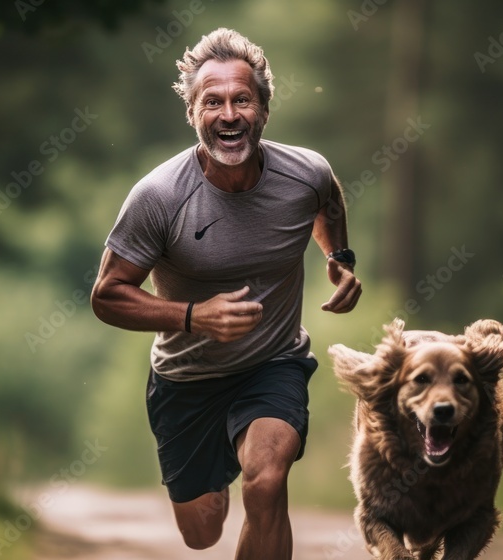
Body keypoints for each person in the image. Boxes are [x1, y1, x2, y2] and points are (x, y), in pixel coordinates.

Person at [90, 28, 362, 560]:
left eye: (243, 99)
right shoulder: (159, 198)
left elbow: (327, 202)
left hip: (273, 362)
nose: (229, 114)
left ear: (264, 110)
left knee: (266, 482)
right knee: (203, 531)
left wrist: (338, 258)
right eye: (212, 101)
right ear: (192, 113)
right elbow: (107, 295)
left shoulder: (306, 173)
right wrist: (194, 317)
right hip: (186, 379)